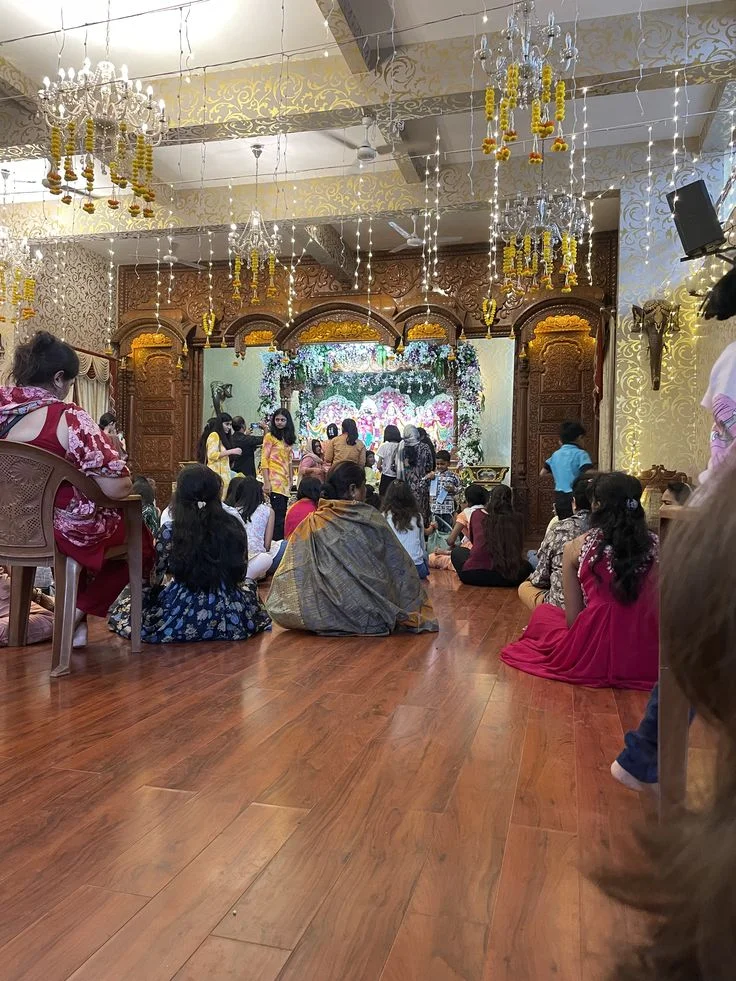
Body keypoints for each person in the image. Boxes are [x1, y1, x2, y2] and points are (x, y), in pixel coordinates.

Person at [597, 462, 736, 980]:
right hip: (644, 653)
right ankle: (643, 751)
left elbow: (570, 604)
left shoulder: (582, 547)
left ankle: (644, 751)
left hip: (609, 648)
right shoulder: (657, 551)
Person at [0, 331, 152, 633]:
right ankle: (73, 616)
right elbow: (117, 487)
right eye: (70, 383)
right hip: (59, 531)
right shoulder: (69, 418)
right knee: (142, 541)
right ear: (59, 378)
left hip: (8, 529)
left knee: (92, 525)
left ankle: (77, 628)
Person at [501, 472, 658, 689]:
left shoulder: (577, 547)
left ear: (597, 505)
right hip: (646, 646)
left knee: (545, 614)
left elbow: (573, 619)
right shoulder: (657, 546)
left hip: (595, 645)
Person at [267, 462, 438, 636]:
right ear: (353, 489)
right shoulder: (368, 517)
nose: (365, 491)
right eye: (364, 486)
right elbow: (398, 565)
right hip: (368, 614)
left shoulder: (313, 522)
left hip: (322, 611)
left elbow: (293, 570)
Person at [109, 465, 270, 644]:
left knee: (127, 608)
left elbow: (155, 576)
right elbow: (240, 570)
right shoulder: (233, 525)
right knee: (250, 589)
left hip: (182, 608)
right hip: (228, 609)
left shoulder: (170, 530)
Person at [518, 472, 594, 611]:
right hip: (600, 608)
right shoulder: (614, 529)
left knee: (525, 587)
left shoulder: (561, 528)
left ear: (574, 503)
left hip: (564, 607)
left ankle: (545, 623)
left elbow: (540, 578)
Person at [451, 484, 532, 587]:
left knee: (457, 552)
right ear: (511, 500)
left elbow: (474, 543)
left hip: (475, 575)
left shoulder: (477, 514)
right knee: (527, 565)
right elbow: (519, 545)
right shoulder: (518, 518)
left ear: (490, 499)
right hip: (509, 577)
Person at [231, 476, 285, 580]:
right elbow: (267, 545)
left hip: (236, 561)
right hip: (258, 559)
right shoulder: (267, 511)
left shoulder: (232, 511)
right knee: (284, 546)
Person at [540, 419, 593, 520]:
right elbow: (587, 471)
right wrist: (607, 472)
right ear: (579, 437)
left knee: (564, 525)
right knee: (578, 524)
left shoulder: (555, 454)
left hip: (559, 498)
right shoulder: (580, 453)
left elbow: (543, 473)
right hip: (576, 498)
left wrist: (559, 473)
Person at [382, 480, 429, 580]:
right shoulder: (417, 516)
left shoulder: (384, 517)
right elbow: (422, 546)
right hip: (417, 568)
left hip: (393, 568)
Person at [261, 408, 296, 540]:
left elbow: (289, 461)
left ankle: (279, 544)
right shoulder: (269, 437)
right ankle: (276, 545)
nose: (279, 422)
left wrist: (291, 479)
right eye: (277, 420)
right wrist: (266, 482)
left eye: (282, 420)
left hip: (285, 483)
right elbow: (264, 459)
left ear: (288, 422)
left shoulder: (287, 438)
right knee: (278, 517)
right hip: (274, 481)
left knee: (282, 515)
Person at [196, 413, 241, 497]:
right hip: (215, 475)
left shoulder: (223, 438)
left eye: (230, 424)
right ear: (220, 424)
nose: (229, 427)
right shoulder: (214, 435)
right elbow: (212, 455)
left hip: (224, 476)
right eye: (226, 424)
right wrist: (231, 451)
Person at [396, 424, 433, 522]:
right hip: (422, 484)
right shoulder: (425, 447)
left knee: (408, 511)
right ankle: (423, 532)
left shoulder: (401, 448)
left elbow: (393, 467)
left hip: (405, 485)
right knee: (422, 511)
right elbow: (430, 466)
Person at [427, 450, 460, 532]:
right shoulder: (433, 476)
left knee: (447, 530)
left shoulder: (453, 476)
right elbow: (422, 485)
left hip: (447, 509)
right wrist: (428, 478)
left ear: (448, 464)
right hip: (435, 509)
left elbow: (461, 488)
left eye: (442, 464)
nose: (439, 466)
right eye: (437, 464)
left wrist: (454, 489)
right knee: (436, 531)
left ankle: (446, 544)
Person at [376, 424, 401, 497]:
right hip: (398, 477)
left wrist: (382, 469)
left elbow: (378, 465)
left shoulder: (384, 446)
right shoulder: (401, 446)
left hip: (386, 477)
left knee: (384, 498)